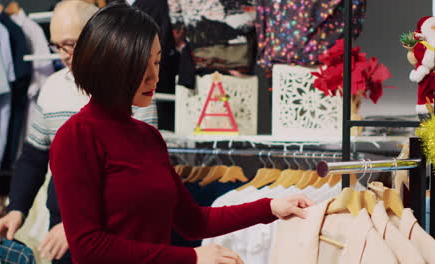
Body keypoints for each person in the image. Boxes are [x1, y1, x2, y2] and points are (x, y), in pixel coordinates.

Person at [49, 3, 314, 264]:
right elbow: (88, 248)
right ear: (113, 65)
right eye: (144, 64)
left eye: (157, 62)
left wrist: (269, 207)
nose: (154, 76)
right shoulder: (76, 137)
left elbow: (194, 222)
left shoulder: (148, 137)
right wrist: (191, 256)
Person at [0, 1, 157, 263]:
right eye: (57, 45)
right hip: (63, 237)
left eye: (69, 44)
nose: (63, 55)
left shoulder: (133, 88)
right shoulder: (53, 88)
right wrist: (16, 209)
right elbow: (34, 157)